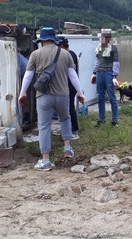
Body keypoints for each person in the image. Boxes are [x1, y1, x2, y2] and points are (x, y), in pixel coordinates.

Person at [18, 27, 85, 171]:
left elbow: (28, 76)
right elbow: (73, 76)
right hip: (63, 95)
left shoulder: (35, 54)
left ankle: (45, 161)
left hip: (44, 96)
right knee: (65, 119)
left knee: (44, 126)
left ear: (41, 40)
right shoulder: (65, 54)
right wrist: (80, 92)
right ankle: (67, 148)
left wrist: (22, 93)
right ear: (55, 40)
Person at [90, 29, 120, 126]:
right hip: (99, 73)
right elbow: (97, 61)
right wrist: (94, 73)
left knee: (112, 98)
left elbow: (116, 63)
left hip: (108, 74)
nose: (103, 39)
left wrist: (114, 76)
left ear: (109, 39)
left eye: (105, 37)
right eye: (102, 37)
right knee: (100, 97)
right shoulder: (98, 48)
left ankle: (115, 120)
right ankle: (101, 119)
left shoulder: (113, 48)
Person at [57, 37, 81, 140]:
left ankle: (74, 130)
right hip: (69, 86)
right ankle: (66, 129)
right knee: (66, 109)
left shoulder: (69, 55)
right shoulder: (72, 53)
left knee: (70, 108)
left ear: (61, 46)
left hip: (69, 86)